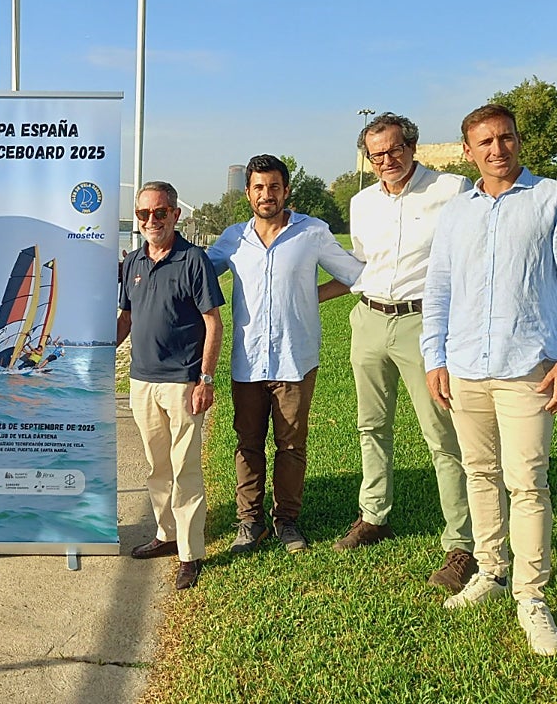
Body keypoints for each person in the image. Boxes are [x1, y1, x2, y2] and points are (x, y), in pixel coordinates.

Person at [421, 103, 557, 656]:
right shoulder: (456, 212)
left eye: (506, 138)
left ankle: (532, 596)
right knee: (480, 474)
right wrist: (434, 358)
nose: (497, 149)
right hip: (465, 367)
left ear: (519, 141)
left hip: (528, 368)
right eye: (485, 142)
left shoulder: (555, 199)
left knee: (527, 483)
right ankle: (491, 571)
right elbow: (439, 290)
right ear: (468, 151)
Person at [328, 113, 476, 593]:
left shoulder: (451, 190)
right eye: (376, 155)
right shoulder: (362, 202)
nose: (386, 161)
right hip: (369, 320)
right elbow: (362, 265)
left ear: (412, 146)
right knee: (370, 426)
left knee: (441, 433)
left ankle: (462, 543)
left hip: (424, 324)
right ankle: (374, 516)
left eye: (394, 150)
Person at [208, 154, 363, 554]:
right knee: (248, 443)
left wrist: (310, 296)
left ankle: (287, 521)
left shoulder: (312, 232)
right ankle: (249, 521)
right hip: (247, 360)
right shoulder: (233, 239)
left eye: (274, 187)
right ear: (247, 193)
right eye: (259, 187)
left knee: (291, 445)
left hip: (295, 358)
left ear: (286, 190)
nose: (267, 194)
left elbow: (354, 276)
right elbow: (196, 274)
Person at [118, 180, 223, 590]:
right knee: (157, 467)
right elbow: (126, 319)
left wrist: (205, 380)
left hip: (183, 383)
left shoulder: (193, 260)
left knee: (186, 469)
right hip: (141, 382)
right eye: (143, 213)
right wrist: (96, 353)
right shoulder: (133, 262)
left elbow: (213, 323)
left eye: (160, 212)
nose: (151, 220)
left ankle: (190, 554)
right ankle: (166, 535)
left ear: (175, 215)